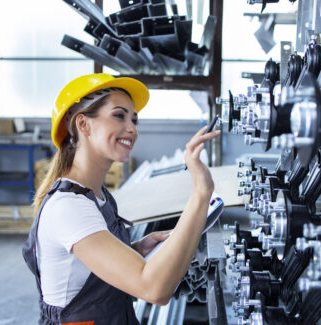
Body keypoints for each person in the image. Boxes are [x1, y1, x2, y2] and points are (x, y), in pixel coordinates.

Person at [22, 73, 221, 325]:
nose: (132, 129)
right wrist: (202, 192)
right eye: (119, 115)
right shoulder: (69, 207)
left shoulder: (99, 196)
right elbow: (154, 289)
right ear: (83, 124)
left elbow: (85, 270)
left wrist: (135, 250)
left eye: (134, 119)